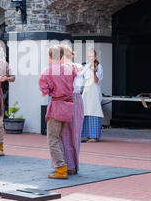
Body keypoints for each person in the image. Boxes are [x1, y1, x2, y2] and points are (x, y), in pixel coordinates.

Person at [39, 45, 76, 179]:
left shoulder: (47, 71)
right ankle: (65, 166)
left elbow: (44, 92)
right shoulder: (70, 69)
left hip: (57, 107)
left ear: (49, 57)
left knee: (53, 140)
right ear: (61, 56)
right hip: (69, 106)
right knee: (59, 138)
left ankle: (60, 169)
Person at [58, 44, 84, 175]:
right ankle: (73, 165)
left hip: (66, 99)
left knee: (64, 134)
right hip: (77, 99)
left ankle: (67, 165)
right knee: (74, 134)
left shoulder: (63, 68)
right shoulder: (78, 67)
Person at [81, 48, 104, 143]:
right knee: (85, 111)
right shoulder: (86, 66)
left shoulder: (98, 66)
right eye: (89, 56)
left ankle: (95, 136)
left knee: (94, 111)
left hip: (94, 91)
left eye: (92, 56)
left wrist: (94, 71)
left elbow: (96, 80)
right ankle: (87, 135)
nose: (91, 58)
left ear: (95, 56)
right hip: (86, 90)